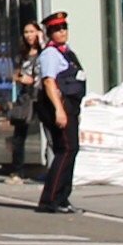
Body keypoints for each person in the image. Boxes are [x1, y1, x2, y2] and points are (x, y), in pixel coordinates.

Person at [28, 14, 87, 213]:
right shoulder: (51, 54)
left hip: (70, 106)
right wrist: (59, 110)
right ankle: (50, 199)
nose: (62, 32)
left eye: (64, 27)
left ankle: (62, 197)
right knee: (66, 149)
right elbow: (49, 81)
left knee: (71, 149)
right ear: (49, 33)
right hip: (58, 106)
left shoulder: (66, 52)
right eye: (56, 29)